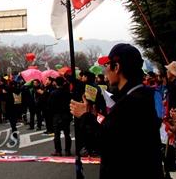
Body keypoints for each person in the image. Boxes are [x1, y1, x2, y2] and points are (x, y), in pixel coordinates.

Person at [70, 43, 164, 179]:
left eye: (107, 65)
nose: (106, 70)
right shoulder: (144, 96)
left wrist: (84, 116)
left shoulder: (129, 103)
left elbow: (103, 142)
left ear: (117, 67)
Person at [48, 77, 72, 156]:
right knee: (67, 133)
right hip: (66, 114)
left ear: (56, 83)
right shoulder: (67, 93)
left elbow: (50, 105)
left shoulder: (53, 93)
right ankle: (68, 150)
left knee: (57, 134)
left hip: (56, 115)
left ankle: (58, 150)